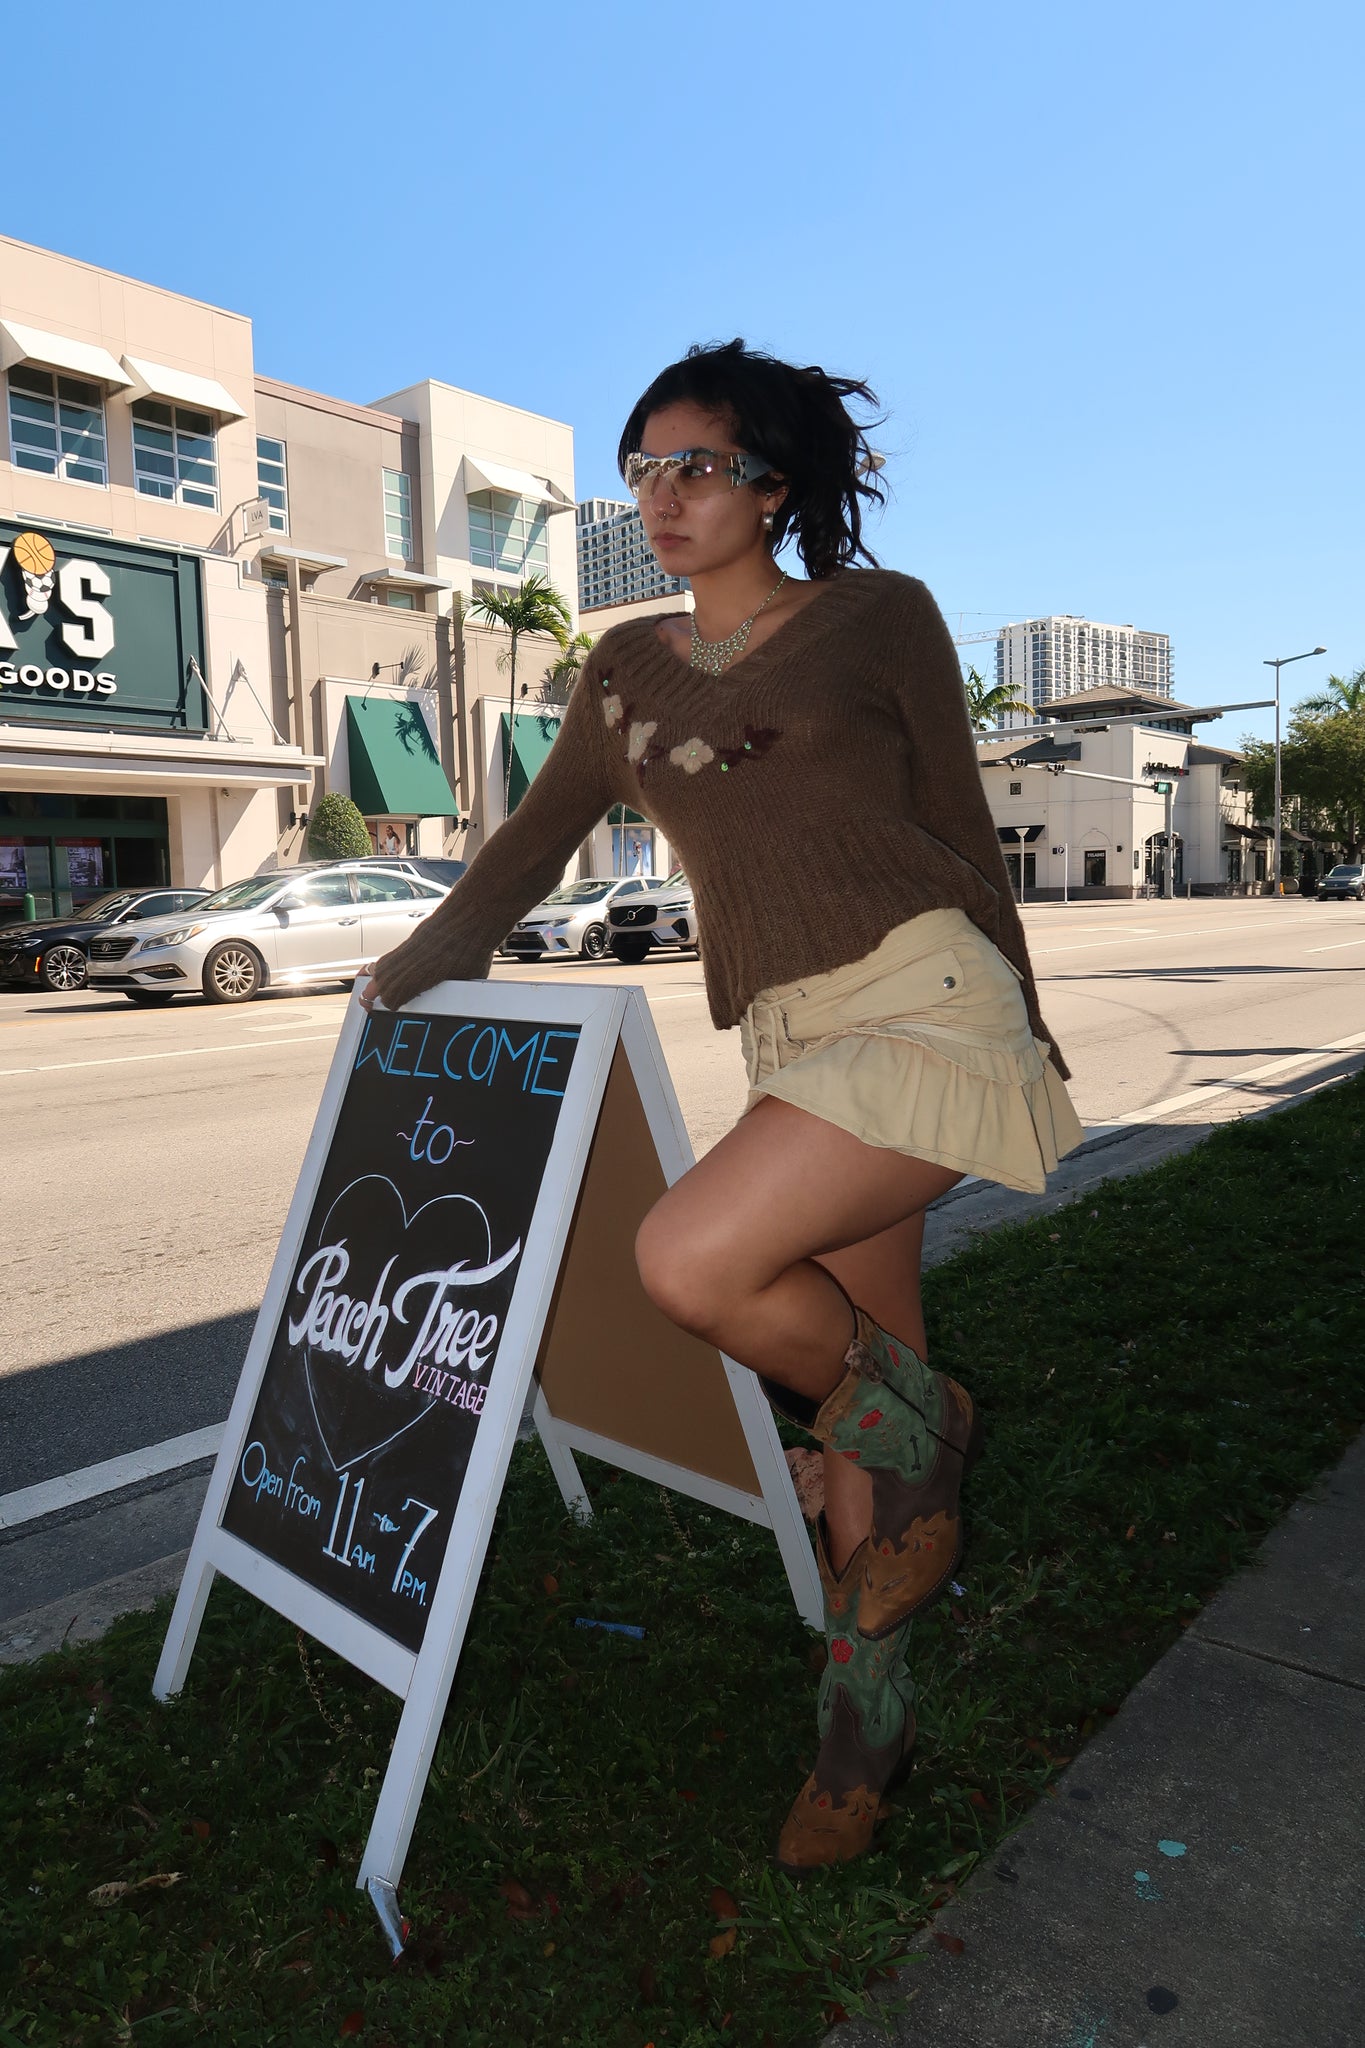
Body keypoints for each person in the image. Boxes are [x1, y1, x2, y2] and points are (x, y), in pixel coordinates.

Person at [363, 340, 1084, 1874]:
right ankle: (864, 1733)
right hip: (786, 1034)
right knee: (869, 1446)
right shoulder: (622, 669)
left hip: (924, 993)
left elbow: (956, 821)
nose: (664, 495)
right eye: (643, 468)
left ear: (774, 482)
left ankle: (926, 1424)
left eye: (697, 465)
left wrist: (1028, 1017)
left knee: (694, 1262)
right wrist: (419, 958)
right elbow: (530, 842)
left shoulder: (877, 617)